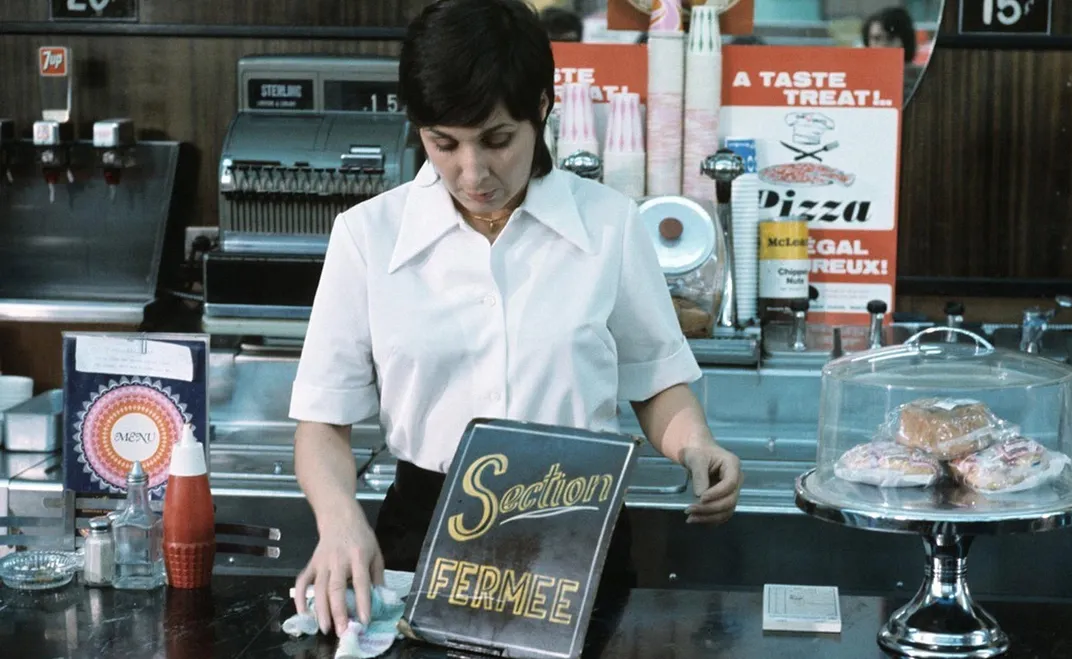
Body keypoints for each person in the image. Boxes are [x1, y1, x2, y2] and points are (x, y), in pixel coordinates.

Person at [289, 0, 743, 638]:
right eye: (443, 143)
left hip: (576, 532)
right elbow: (322, 422)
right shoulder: (368, 236)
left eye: (497, 140)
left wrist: (696, 445)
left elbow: (654, 381)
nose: (472, 172)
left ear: (542, 107)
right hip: (424, 530)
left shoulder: (609, 225)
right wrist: (339, 520)